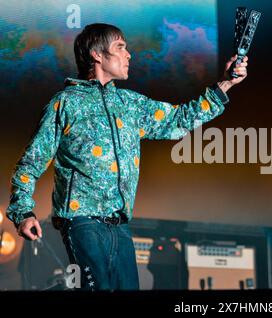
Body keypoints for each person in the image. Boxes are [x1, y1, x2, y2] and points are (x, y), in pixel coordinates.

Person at [6, 23, 248, 290]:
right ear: (97, 54)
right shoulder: (66, 103)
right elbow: (32, 160)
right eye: (120, 47)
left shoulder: (130, 104)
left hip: (119, 225)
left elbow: (180, 118)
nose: (129, 54)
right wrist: (22, 212)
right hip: (82, 220)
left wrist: (225, 83)